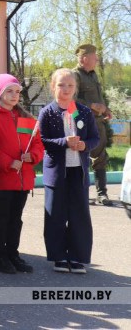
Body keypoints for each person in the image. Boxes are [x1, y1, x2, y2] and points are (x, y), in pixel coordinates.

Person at [39, 68, 99, 274]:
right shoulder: (47, 112)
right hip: (56, 173)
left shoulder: (84, 112)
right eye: (61, 85)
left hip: (78, 173)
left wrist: (85, 145)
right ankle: (59, 257)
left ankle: (77, 257)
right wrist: (64, 142)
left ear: (76, 88)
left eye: (70, 85)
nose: (66, 89)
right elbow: (42, 140)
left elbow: (94, 138)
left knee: (79, 215)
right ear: (53, 87)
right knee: (55, 215)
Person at [0, 73, 43, 274]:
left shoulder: (27, 118)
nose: (14, 95)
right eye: (9, 91)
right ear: (0, 93)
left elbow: (37, 144)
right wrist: (9, 162)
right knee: (2, 218)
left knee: (16, 219)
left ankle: (12, 254)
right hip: (3, 177)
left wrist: (32, 156)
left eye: (17, 91)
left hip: (23, 178)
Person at [72, 44, 113, 205]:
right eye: (94, 57)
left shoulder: (93, 75)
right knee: (80, 157)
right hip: (81, 123)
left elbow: (98, 97)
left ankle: (102, 194)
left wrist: (105, 109)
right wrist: (92, 106)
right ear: (84, 58)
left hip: (97, 122)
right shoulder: (74, 75)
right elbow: (71, 100)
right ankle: (79, 194)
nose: (97, 59)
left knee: (100, 157)